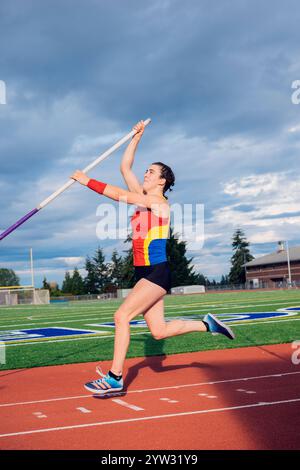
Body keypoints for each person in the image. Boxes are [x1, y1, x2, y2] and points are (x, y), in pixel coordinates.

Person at [71, 121, 235, 395]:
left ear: (162, 180)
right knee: (158, 331)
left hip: (156, 272)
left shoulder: (159, 203)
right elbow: (125, 168)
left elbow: (120, 194)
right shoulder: (142, 198)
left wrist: (86, 180)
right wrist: (136, 137)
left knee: (121, 316)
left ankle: (115, 377)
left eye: (151, 171)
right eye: (145, 170)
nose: (145, 174)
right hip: (142, 273)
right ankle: (207, 324)